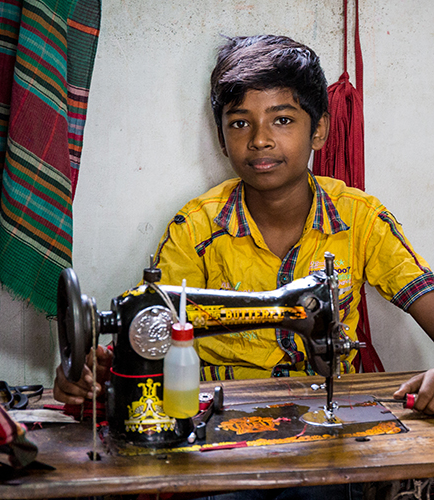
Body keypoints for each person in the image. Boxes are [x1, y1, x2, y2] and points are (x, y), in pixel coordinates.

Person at [54, 35, 434, 413]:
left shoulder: (360, 220)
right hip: (219, 418)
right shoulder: (196, 229)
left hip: (327, 412)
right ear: (221, 137)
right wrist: (95, 373)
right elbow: (153, 326)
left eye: (282, 120)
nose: (260, 140)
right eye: (239, 123)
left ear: (318, 130)